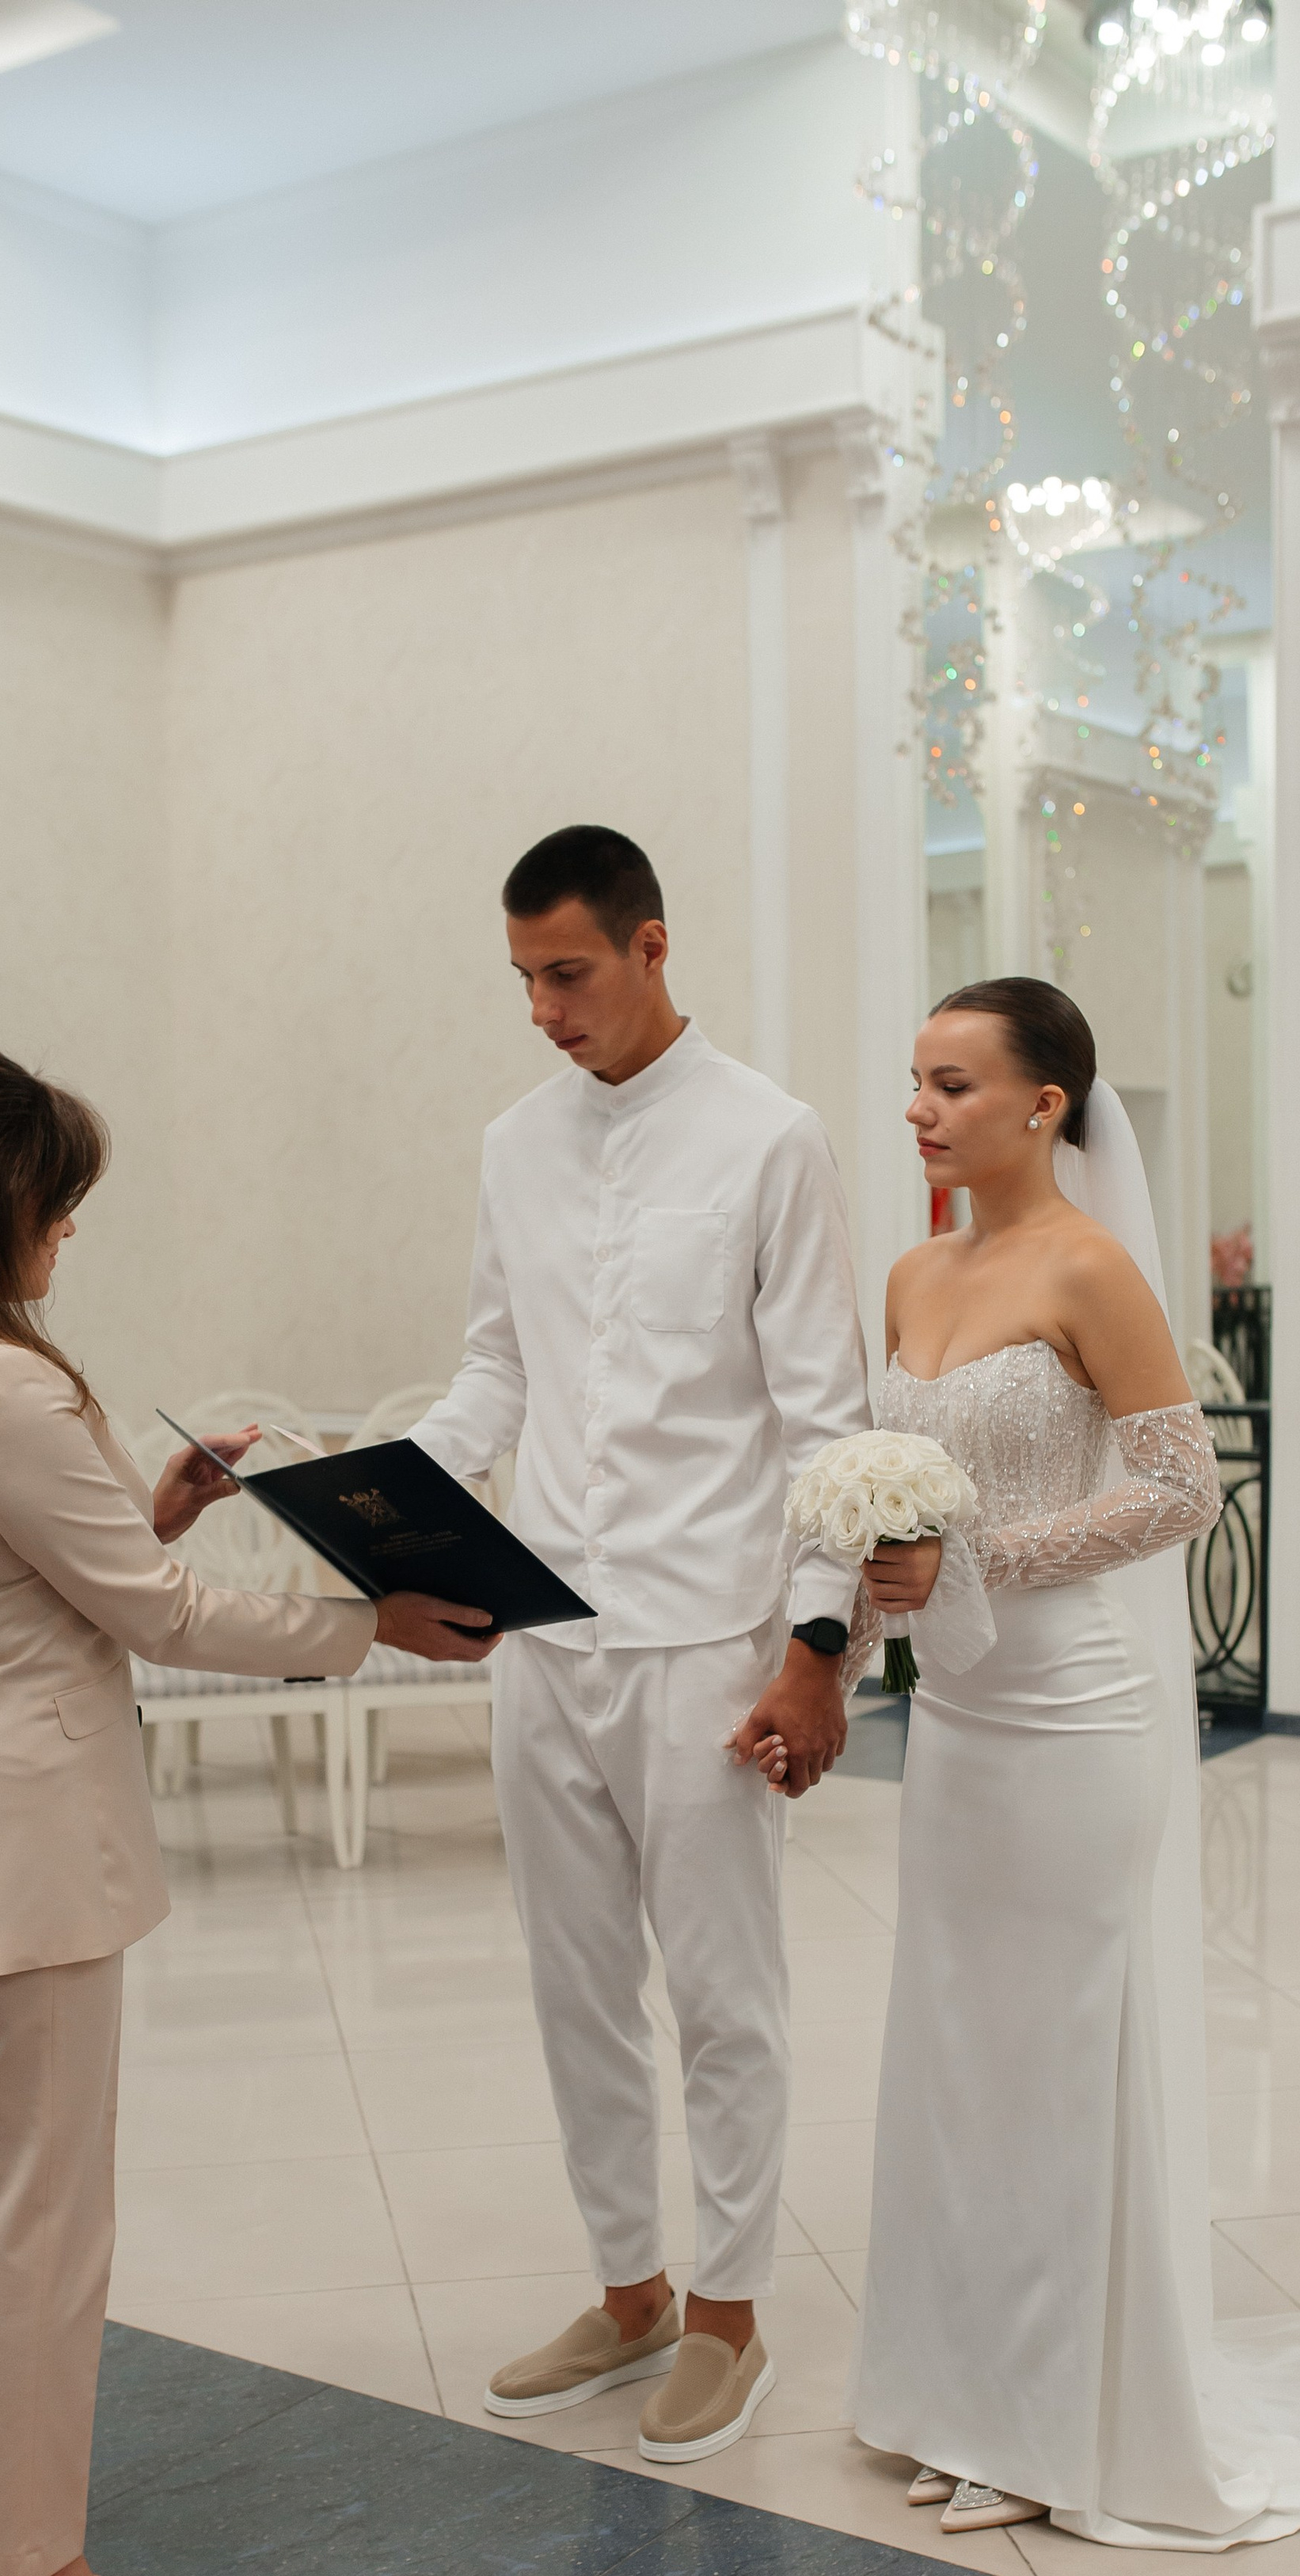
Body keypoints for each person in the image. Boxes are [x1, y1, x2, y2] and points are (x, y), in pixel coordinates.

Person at [0, 1042, 492, 2576]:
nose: (68, 1233)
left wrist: (147, 1512)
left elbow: (13, 1577)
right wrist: (361, 1627)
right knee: (40, 2222)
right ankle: (35, 2559)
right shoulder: (2, 1383)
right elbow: (149, 1620)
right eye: (58, 1202)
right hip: (11, 1843)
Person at [777, 979, 1300, 2547]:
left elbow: (1179, 1489)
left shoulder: (1093, 1269)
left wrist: (970, 1549)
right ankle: (953, 2392)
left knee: (1057, 2056)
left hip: (1078, 1705)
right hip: (962, 1714)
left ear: (1043, 1107)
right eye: (910, 1081)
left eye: (951, 1084)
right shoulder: (909, 1271)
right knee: (959, 2050)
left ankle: (1057, 2419)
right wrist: (868, 1576)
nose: (917, 1108)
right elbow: (876, 1479)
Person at [412, 826, 871, 2462]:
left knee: (724, 1996)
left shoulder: (771, 1140)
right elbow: (492, 1374)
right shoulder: (511, 1146)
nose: (543, 1010)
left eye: (568, 973)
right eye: (524, 980)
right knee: (571, 1986)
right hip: (543, 1629)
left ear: (650, 945)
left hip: (704, 1636)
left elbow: (827, 1417)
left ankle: (733, 2317)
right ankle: (629, 2291)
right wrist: (383, 1492)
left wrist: (814, 1644)